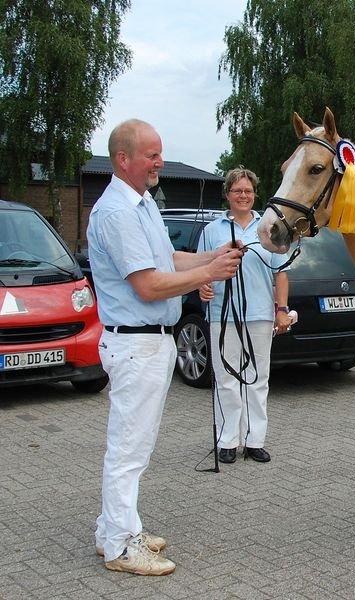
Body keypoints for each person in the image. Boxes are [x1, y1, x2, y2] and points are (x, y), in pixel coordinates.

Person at [87, 119, 243, 576]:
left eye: (159, 153)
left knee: (133, 446)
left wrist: (213, 257)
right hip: (136, 346)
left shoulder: (142, 206)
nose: (159, 161)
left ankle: (113, 528)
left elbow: (169, 259)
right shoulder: (116, 213)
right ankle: (119, 546)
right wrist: (211, 275)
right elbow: (150, 285)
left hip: (150, 346)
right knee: (129, 450)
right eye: (151, 155)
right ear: (123, 160)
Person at [198, 167, 291, 465]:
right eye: (237, 190)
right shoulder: (212, 231)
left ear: (254, 195)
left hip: (260, 314)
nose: (243, 195)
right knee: (226, 377)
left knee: (257, 378)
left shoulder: (269, 228)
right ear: (227, 194)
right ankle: (227, 440)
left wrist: (281, 309)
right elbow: (201, 271)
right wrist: (203, 287)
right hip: (222, 315)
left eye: (248, 191)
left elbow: (281, 273)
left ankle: (254, 440)